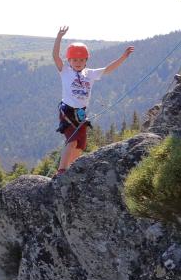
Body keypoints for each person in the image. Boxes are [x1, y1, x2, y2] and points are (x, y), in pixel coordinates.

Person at [52, 26, 134, 172]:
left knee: (80, 144)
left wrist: (123, 57)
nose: (78, 62)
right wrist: (59, 37)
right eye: (74, 59)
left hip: (81, 113)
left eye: (81, 60)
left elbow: (108, 69)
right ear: (69, 61)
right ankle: (61, 172)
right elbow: (56, 57)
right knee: (71, 141)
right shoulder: (65, 71)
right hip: (67, 111)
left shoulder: (89, 74)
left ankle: (71, 168)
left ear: (86, 60)